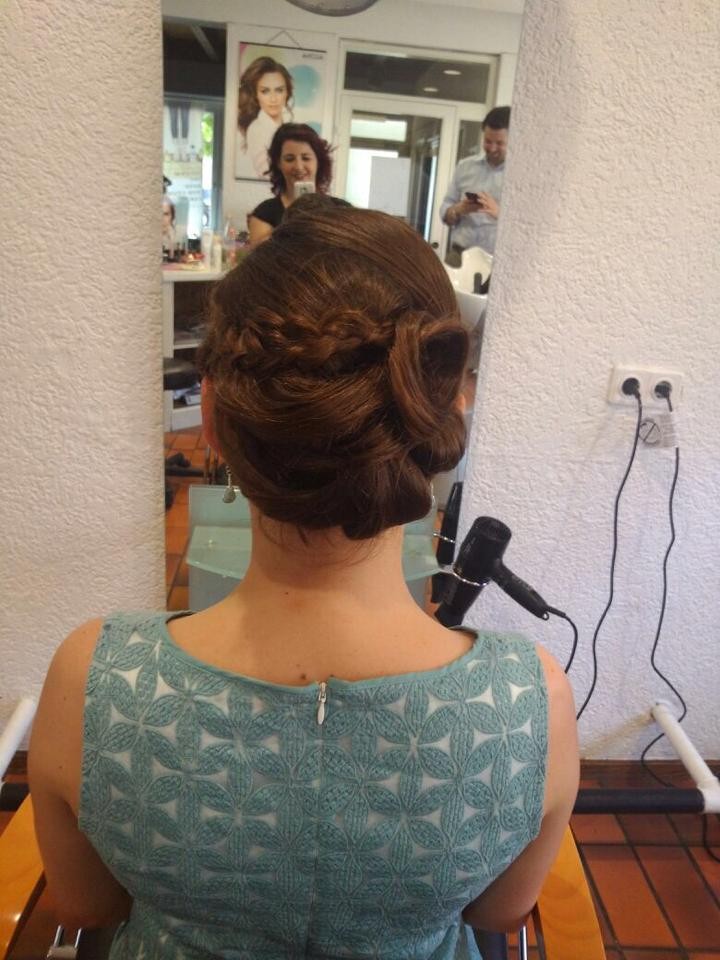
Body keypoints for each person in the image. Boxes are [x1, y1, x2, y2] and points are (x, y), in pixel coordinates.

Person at [29, 198, 578, 960]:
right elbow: (499, 913)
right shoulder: (528, 702)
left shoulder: (96, 679)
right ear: (446, 411)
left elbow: (85, 904)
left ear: (212, 417)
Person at [440, 105, 510, 262]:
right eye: (488, 141)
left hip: (499, 260)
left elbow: (526, 225)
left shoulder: (520, 177)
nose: (492, 148)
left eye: (499, 143)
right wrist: (457, 210)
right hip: (459, 254)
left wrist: (499, 213)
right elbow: (446, 208)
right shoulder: (464, 166)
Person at [247, 123, 334, 247]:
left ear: (318, 161)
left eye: (306, 158)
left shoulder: (340, 209)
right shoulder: (265, 214)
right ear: (279, 163)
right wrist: (294, 222)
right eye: (289, 159)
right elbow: (258, 256)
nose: (298, 167)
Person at [235, 56, 294, 179]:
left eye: (279, 90)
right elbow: (267, 175)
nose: (273, 99)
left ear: (287, 92)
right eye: (265, 91)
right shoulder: (256, 129)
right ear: (256, 95)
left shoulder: (288, 125)